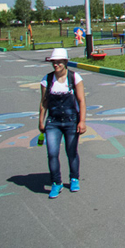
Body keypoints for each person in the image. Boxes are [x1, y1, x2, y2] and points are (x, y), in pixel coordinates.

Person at [39, 48, 86, 199]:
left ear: (65, 62)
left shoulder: (74, 78)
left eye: (59, 62)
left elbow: (81, 101)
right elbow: (44, 102)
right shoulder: (47, 79)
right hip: (53, 122)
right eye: (54, 62)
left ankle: (74, 178)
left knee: (71, 152)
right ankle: (56, 183)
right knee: (52, 153)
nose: (56, 65)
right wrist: (41, 121)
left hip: (71, 121)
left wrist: (82, 121)